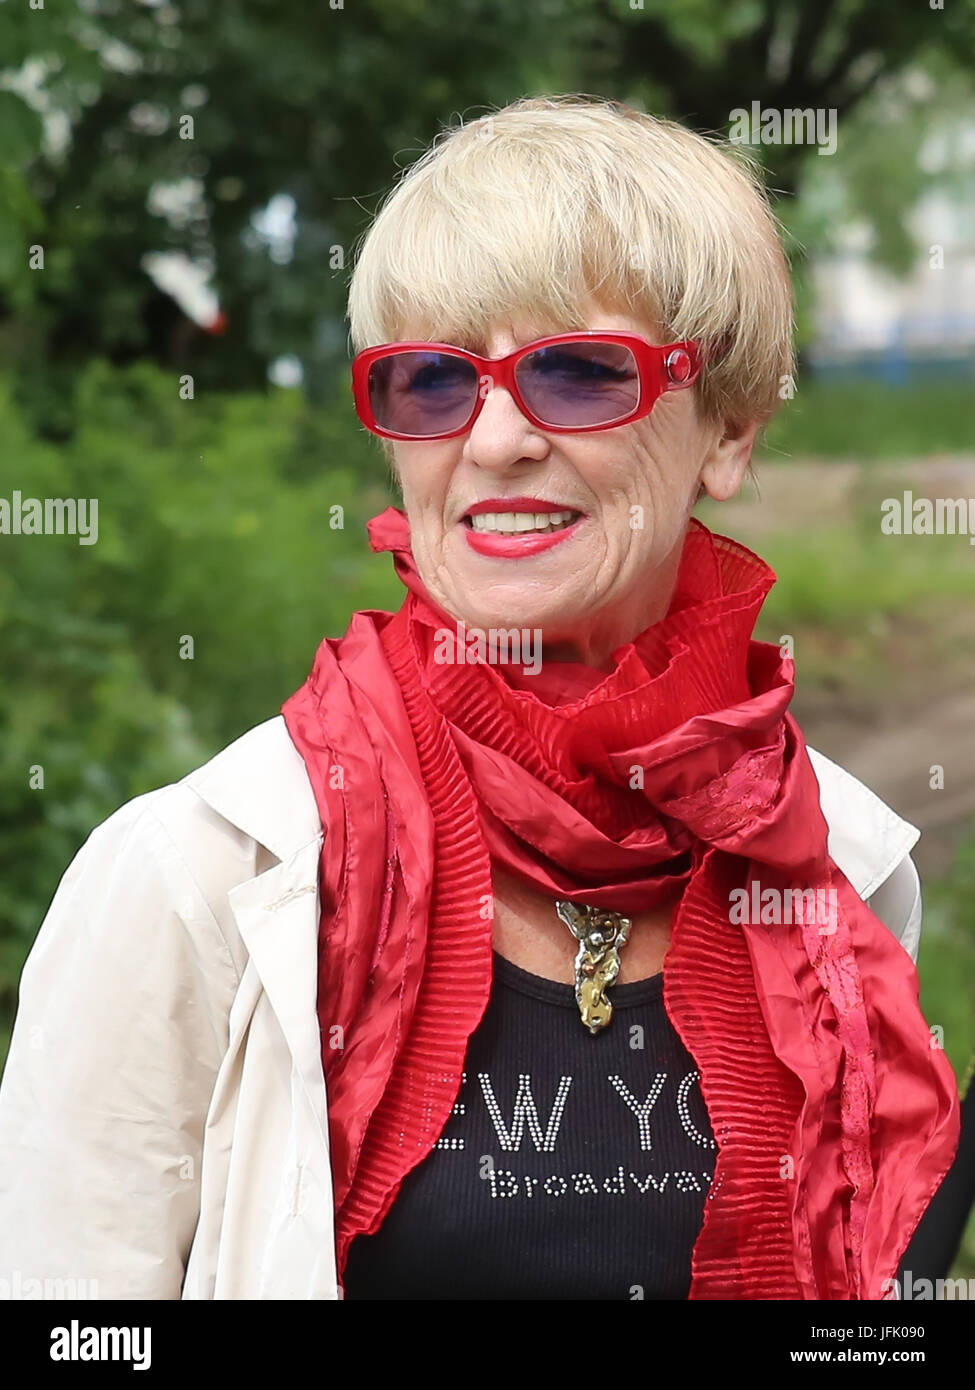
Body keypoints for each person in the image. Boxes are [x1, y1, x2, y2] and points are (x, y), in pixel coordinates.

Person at [0, 94, 960, 1301]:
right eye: (433, 380)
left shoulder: (839, 868)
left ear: (730, 426)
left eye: (575, 372)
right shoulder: (199, 879)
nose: (496, 437)